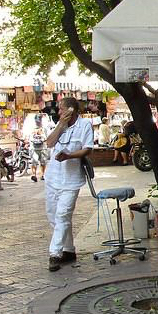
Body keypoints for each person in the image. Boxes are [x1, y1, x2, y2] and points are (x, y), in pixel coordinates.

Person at [44, 97, 93, 271]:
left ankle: (54, 253)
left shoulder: (84, 125)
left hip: (71, 179)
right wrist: (60, 125)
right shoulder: (59, 126)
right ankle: (69, 250)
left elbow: (87, 149)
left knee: (63, 215)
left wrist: (69, 156)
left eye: (62, 109)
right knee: (53, 216)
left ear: (71, 110)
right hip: (53, 177)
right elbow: (49, 143)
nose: (59, 112)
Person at [29, 114, 48, 182]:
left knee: (43, 162)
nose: (38, 122)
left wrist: (42, 138)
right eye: (37, 121)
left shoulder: (44, 128)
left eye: (39, 121)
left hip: (42, 147)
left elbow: (47, 137)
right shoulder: (31, 128)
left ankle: (43, 175)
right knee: (34, 162)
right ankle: (34, 175)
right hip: (34, 148)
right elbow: (29, 137)